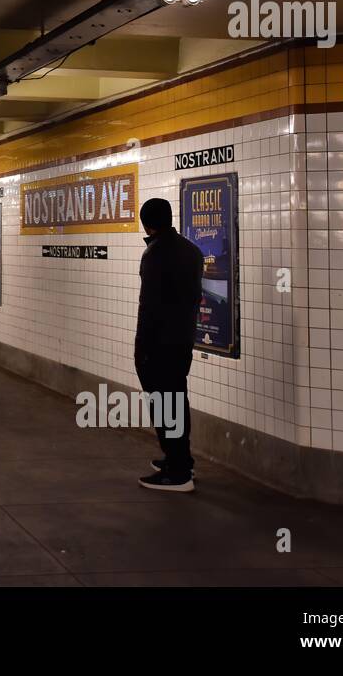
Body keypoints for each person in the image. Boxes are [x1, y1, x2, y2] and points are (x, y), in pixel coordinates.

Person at [134, 197, 204, 492]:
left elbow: (149, 306)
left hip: (158, 345)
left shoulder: (154, 255)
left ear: (147, 224)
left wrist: (141, 349)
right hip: (182, 340)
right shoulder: (192, 251)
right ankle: (180, 459)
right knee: (177, 399)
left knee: (164, 404)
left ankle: (178, 473)